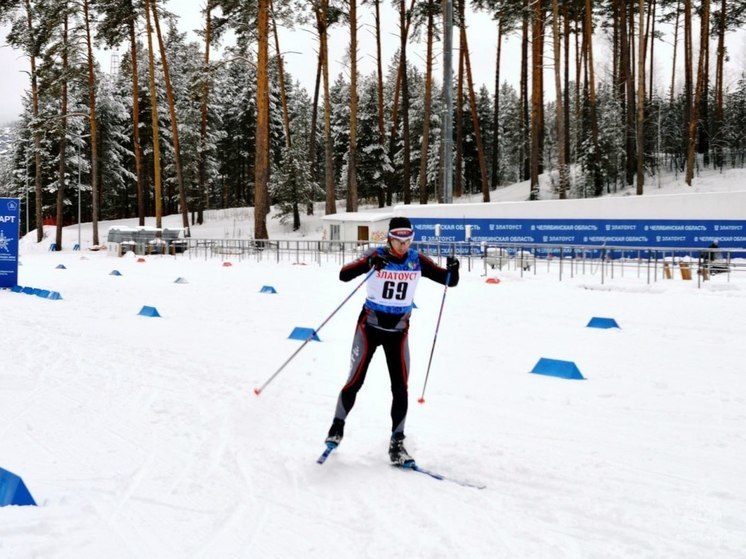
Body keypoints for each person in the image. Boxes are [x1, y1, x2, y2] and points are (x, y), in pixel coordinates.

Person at [324, 216, 460, 466]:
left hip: (398, 331)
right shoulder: (376, 254)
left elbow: (449, 281)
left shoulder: (416, 260)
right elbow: (343, 275)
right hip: (370, 326)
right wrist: (369, 264)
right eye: (399, 241)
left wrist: (454, 269)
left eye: (408, 241)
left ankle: (397, 442)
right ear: (389, 238)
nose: (404, 246)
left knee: (400, 387)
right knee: (355, 380)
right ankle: (337, 427)